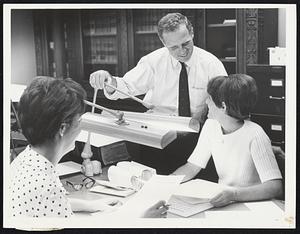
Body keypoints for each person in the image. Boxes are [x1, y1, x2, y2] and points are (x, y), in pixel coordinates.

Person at [9, 76, 168, 218]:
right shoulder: (43, 185)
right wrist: (141, 219)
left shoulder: (27, 159)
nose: (81, 126)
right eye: (79, 120)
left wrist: (92, 205)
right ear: (63, 129)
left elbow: (54, 203)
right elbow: (48, 198)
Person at [89, 12, 228, 174]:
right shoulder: (153, 61)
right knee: (156, 186)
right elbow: (125, 86)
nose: (182, 51)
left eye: (186, 43)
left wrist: (206, 111)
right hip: (159, 138)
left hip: (199, 138)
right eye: (174, 47)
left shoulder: (211, 64)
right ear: (163, 43)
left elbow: (224, 103)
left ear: (192, 34)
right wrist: (108, 79)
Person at [171, 74, 283, 207]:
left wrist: (234, 195)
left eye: (210, 99)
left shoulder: (255, 134)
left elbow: (275, 187)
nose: (206, 102)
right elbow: (192, 166)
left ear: (223, 106)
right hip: (224, 202)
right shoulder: (210, 125)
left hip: (252, 204)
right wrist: (164, 183)